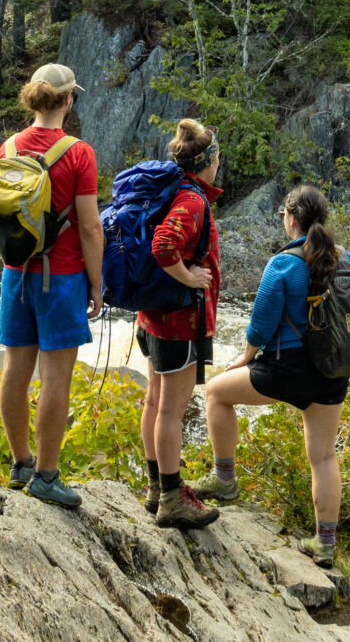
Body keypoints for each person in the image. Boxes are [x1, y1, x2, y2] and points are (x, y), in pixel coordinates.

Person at [197, 183, 350, 568]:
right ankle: (324, 545)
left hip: (288, 371)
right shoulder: (347, 259)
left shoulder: (282, 264)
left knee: (217, 393)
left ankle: (224, 479)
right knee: (323, 456)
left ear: (290, 219)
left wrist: (244, 359)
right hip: (333, 370)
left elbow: (260, 327)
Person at [0, 62, 103, 509]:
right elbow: (90, 227)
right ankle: (46, 474)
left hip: (15, 275)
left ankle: (20, 462)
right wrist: (97, 285)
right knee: (56, 377)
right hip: (60, 279)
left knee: (14, 371)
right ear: (67, 100)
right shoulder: (78, 153)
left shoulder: (9, 146)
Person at [137, 118, 225, 530]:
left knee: (155, 402)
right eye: (217, 157)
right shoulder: (192, 202)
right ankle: (172, 499)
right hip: (177, 323)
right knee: (171, 410)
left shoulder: (173, 190)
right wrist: (190, 277)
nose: (219, 163)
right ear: (207, 162)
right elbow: (162, 245)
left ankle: (157, 487)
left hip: (152, 317)